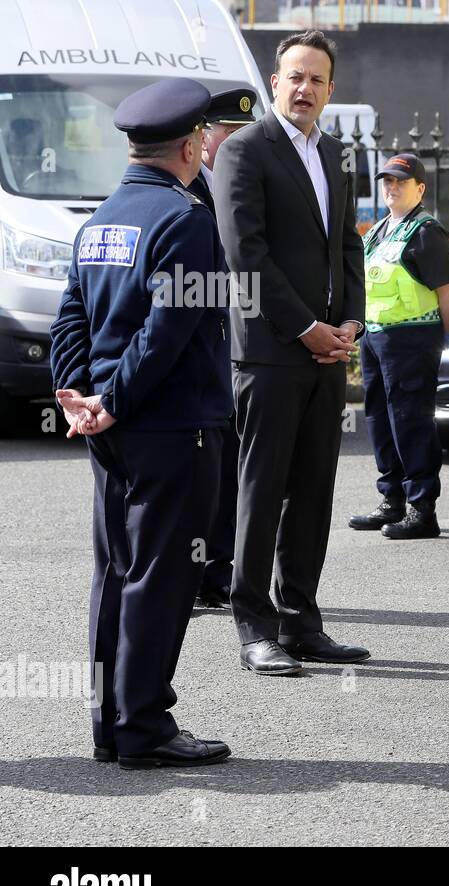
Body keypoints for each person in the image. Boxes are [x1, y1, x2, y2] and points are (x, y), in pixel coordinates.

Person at [48, 77, 232, 769]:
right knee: (161, 574)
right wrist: (115, 398)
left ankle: (112, 724)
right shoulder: (186, 221)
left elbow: (72, 314)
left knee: (116, 571)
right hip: (171, 426)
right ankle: (145, 727)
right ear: (190, 146)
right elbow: (169, 332)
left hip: (112, 430)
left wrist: (77, 391)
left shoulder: (99, 221)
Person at [213, 30, 370, 675]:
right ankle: (254, 626)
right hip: (272, 353)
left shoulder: (334, 153)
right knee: (262, 487)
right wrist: (305, 326)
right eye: (294, 77)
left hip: (329, 353)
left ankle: (302, 620)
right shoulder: (246, 151)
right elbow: (244, 256)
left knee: (314, 490)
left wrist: (351, 323)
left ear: (331, 91)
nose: (304, 89)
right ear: (274, 82)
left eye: (317, 80)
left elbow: (348, 247)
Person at [348, 153, 449, 539]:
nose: (391, 187)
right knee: (379, 419)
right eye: (387, 181)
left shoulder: (427, 232)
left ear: (420, 188)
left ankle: (422, 509)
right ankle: (391, 500)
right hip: (377, 338)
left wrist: (438, 341)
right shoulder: (380, 229)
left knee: (411, 422)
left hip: (413, 340)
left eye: (400, 181)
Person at [191, 86, 257, 610]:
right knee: (197, 467)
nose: (237, 142)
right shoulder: (188, 191)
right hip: (199, 346)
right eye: (227, 133)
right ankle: (189, 572)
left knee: (229, 465)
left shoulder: (248, 184)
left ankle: (217, 571)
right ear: (203, 136)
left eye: (244, 133)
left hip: (241, 346)